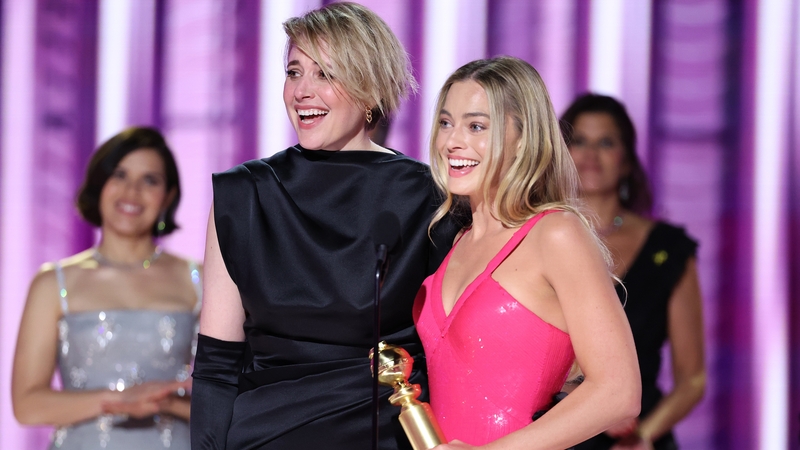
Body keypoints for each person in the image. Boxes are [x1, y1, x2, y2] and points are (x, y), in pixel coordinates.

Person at [189, 3, 457, 449]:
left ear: (371, 89)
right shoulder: (245, 194)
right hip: (266, 436)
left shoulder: (429, 197)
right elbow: (217, 365)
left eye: (325, 75)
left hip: (383, 434)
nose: (302, 91)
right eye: (295, 72)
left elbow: (455, 355)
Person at [412, 56, 642, 450]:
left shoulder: (555, 234)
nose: (452, 141)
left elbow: (619, 392)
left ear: (523, 138)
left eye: (477, 126)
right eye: (446, 123)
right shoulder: (453, 239)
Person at [12, 127, 201, 450]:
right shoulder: (53, 282)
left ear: (168, 196)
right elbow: (27, 405)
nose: (132, 191)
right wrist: (119, 400)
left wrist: (164, 403)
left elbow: (232, 404)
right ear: (99, 185)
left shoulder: (199, 279)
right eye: (119, 175)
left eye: (150, 180)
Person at [561, 94, 705, 450]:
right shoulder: (532, 237)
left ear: (626, 160)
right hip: (553, 431)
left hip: (634, 438)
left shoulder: (668, 249)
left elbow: (693, 379)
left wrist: (644, 436)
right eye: (579, 141)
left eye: (606, 143)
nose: (591, 155)